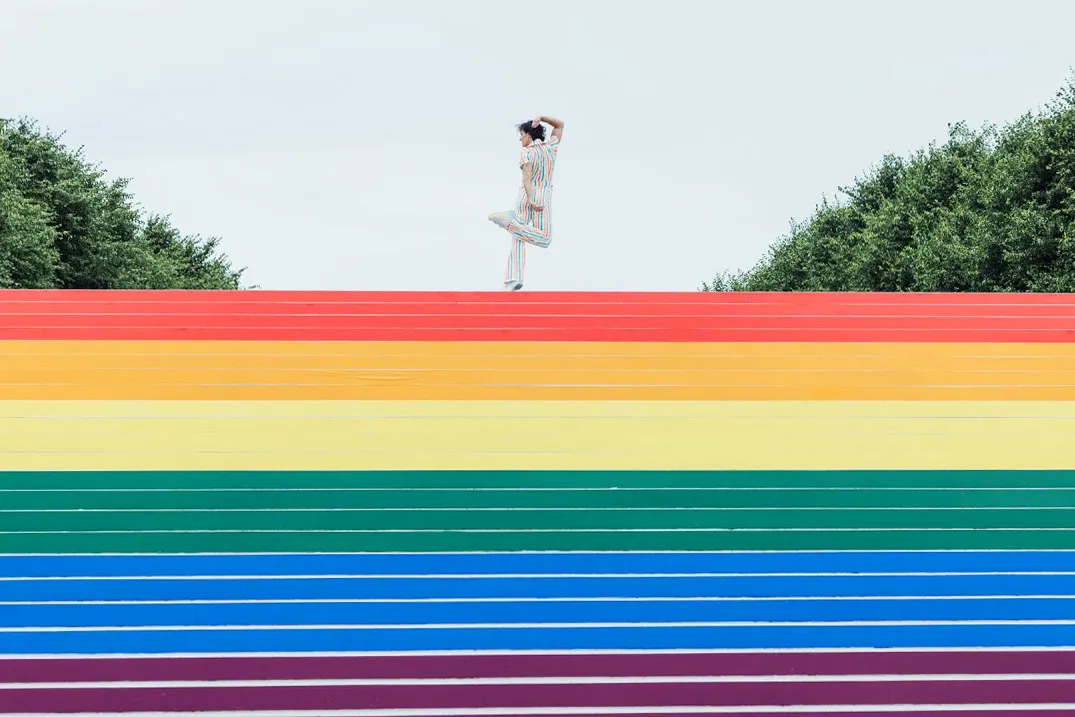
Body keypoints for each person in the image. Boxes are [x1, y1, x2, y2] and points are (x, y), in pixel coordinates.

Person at [488, 115, 565, 291]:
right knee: (540, 237)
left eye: (522, 135)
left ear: (529, 135)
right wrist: (543, 118)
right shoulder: (551, 147)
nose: (520, 138)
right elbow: (560, 125)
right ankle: (513, 279)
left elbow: (527, 179)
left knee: (529, 235)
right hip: (544, 195)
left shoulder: (527, 152)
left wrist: (530, 199)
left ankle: (509, 223)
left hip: (527, 195)